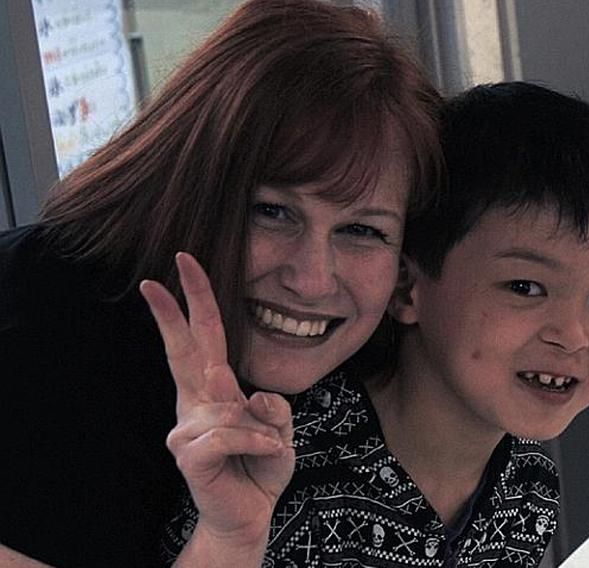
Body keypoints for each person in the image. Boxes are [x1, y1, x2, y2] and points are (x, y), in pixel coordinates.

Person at [0, 0, 441, 565]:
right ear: (186, 182)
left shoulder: (373, 374)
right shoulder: (37, 333)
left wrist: (230, 535)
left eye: (361, 230)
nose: (310, 280)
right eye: (272, 211)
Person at [161, 81, 589, 567]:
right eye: (525, 287)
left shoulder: (527, 487)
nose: (572, 336)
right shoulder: (279, 468)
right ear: (406, 289)